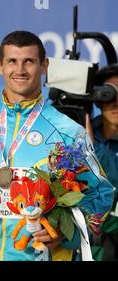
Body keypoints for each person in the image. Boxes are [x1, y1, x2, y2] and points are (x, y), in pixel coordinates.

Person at [0, 30, 114, 261]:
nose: (20, 70)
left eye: (29, 62)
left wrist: (67, 233)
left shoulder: (67, 131)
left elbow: (102, 193)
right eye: (12, 61)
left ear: (44, 66)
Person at [87, 64, 118, 261]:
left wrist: (93, 150)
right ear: (98, 100)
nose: (116, 102)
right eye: (109, 94)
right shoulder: (79, 135)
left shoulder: (92, 144)